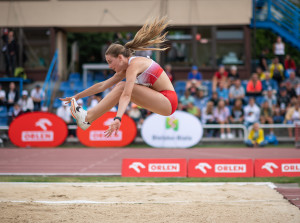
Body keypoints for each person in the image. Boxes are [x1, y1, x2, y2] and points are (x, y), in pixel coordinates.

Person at [60, 17, 178, 136]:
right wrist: (77, 96)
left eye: (110, 61)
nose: (109, 66)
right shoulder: (125, 69)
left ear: (120, 57)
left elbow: (126, 94)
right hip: (161, 101)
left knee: (122, 86)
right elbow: (102, 85)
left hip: (168, 100)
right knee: (120, 86)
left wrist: (118, 118)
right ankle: (87, 119)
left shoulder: (134, 65)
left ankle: (88, 117)